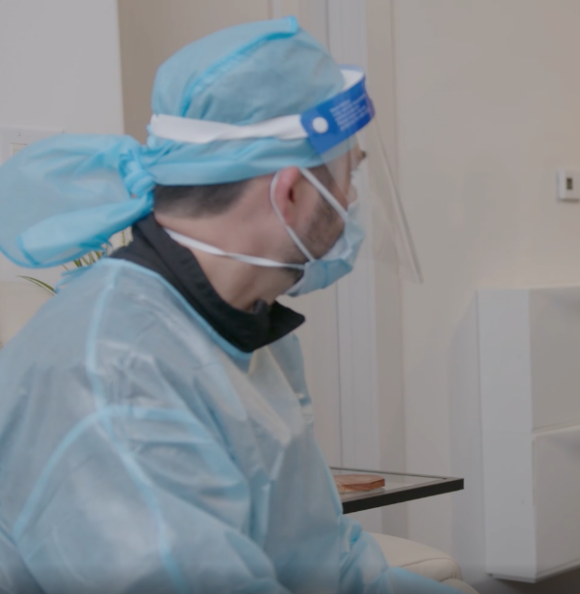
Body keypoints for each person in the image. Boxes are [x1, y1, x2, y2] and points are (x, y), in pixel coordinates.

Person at [0, 18, 455, 594]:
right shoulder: (110, 376)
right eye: (348, 176)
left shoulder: (251, 331)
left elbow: (329, 566)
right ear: (288, 192)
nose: (353, 200)